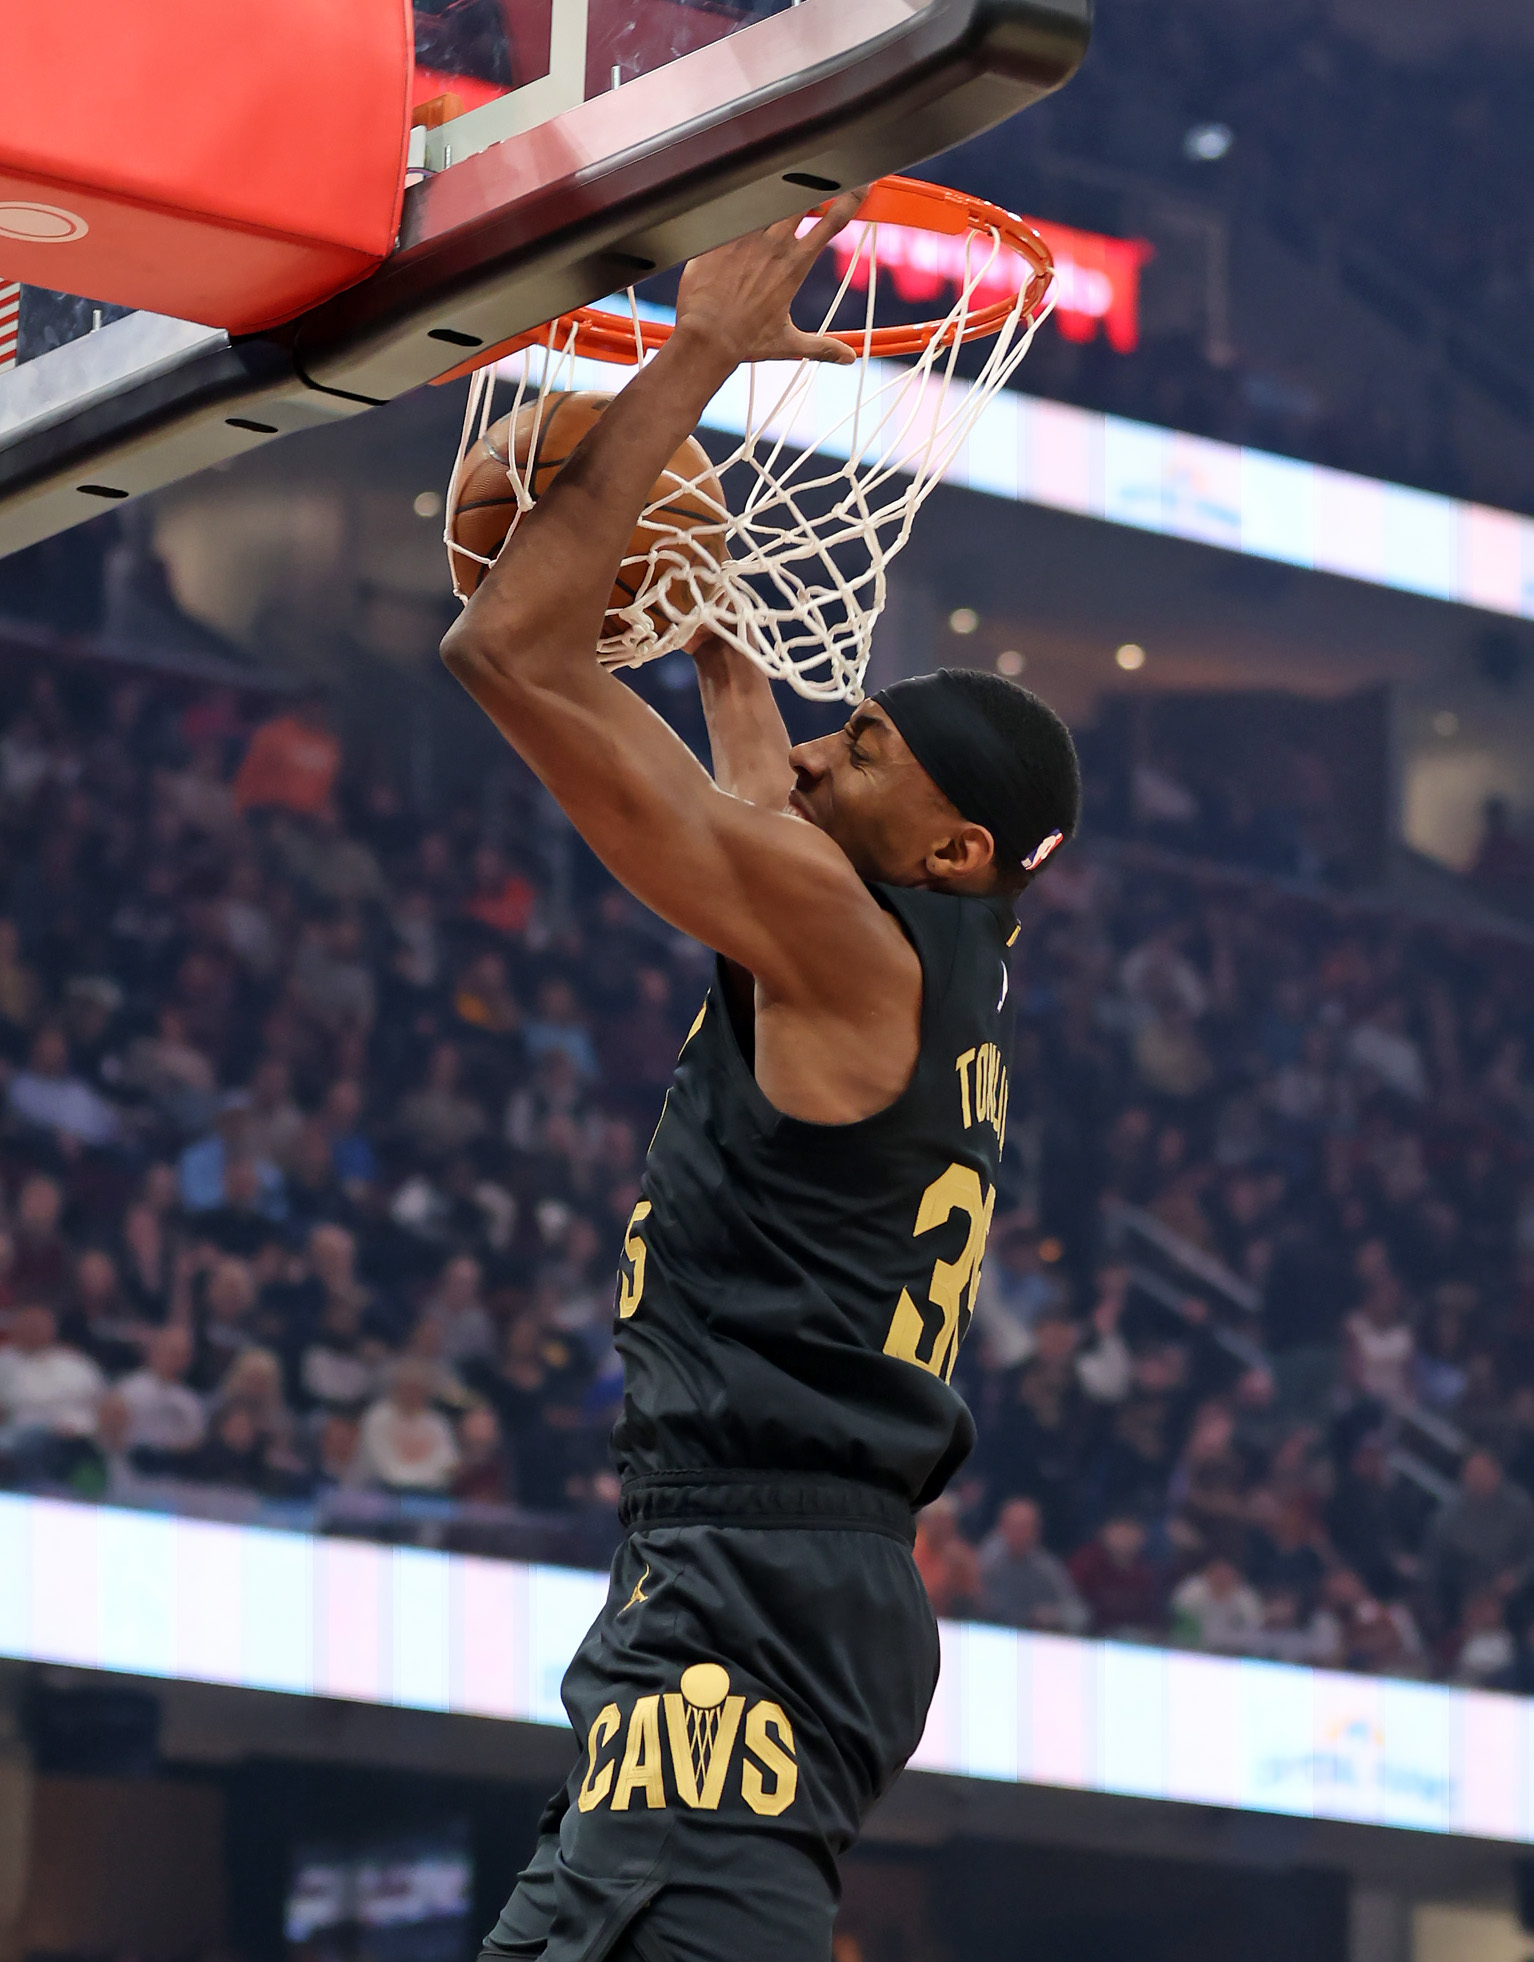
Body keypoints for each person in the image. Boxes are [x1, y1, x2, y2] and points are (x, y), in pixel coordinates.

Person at [441, 201, 1080, 1962]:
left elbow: (507, 654)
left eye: (857, 743)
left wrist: (701, 346)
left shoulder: (852, 939)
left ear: (950, 848)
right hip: (772, 1567)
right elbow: (750, 811)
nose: (815, 738)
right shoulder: (906, 953)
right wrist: (713, 617)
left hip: (757, 1576)